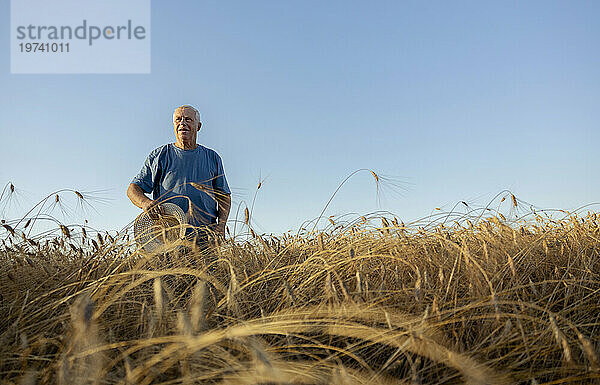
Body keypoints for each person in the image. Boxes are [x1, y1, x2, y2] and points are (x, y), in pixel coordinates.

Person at [127, 105, 231, 247]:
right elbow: (133, 188)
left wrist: (221, 225)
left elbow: (224, 196)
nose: (182, 123)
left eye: (188, 119)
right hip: (168, 240)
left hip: (205, 240)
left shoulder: (212, 157)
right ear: (173, 125)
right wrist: (145, 203)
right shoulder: (159, 156)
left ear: (198, 126)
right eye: (178, 120)